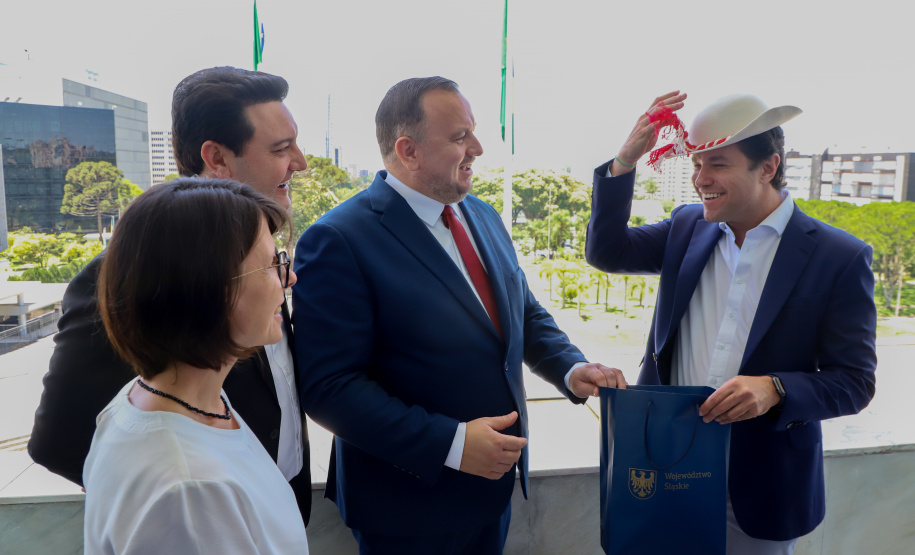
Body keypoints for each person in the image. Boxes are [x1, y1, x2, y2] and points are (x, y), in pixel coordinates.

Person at [292, 76, 626, 554]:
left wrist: (571, 368)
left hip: (492, 495)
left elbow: (522, 312)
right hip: (407, 509)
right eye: (459, 137)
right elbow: (330, 387)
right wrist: (448, 443)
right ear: (408, 151)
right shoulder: (338, 239)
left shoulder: (483, 214)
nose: (479, 148)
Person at [585, 92, 877, 554]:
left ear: (767, 167)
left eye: (717, 164)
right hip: (665, 463)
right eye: (698, 164)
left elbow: (855, 383)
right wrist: (624, 161)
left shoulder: (838, 256)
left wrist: (775, 389)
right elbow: (607, 251)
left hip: (761, 488)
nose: (701, 179)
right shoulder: (686, 227)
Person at [28, 66, 313, 525]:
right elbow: (58, 442)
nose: (299, 162)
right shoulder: (127, 277)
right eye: (281, 148)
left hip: (283, 515)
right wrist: (184, 503)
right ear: (217, 157)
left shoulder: (263, 255)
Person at [83, 178, 308, 553]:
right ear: (211, 289)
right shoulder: (190, 490)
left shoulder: (170, 398)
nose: (289, 277)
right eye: (272, 264)